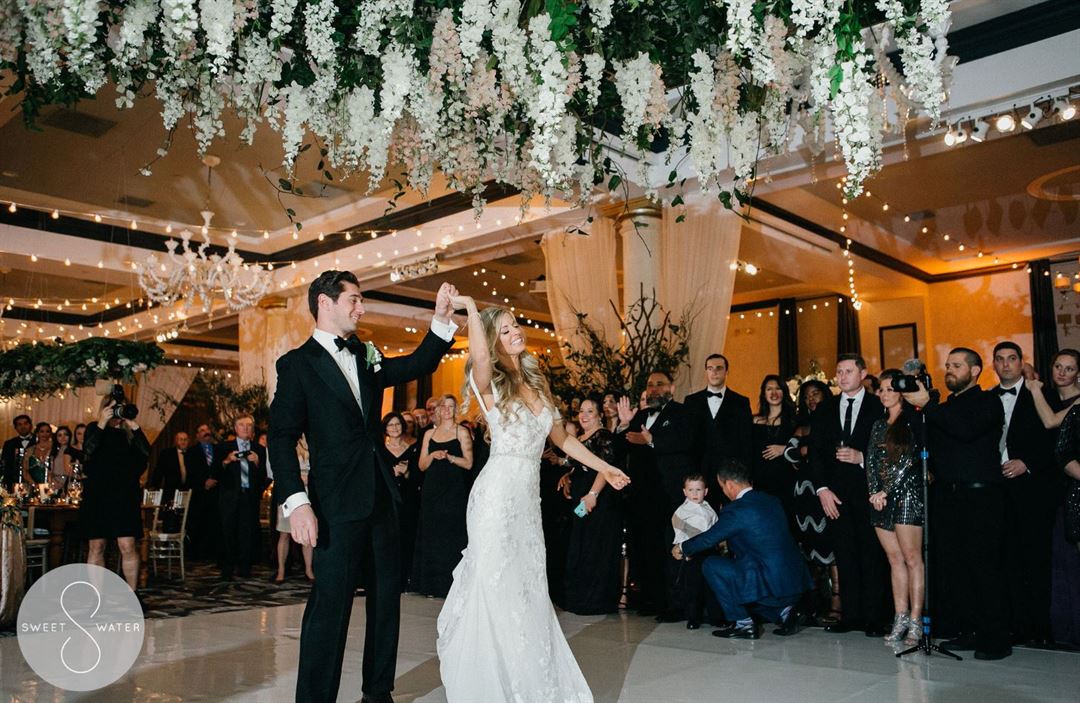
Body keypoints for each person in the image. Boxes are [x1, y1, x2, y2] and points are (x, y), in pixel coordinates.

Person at [269, 271, 458, 703]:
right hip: (334, 505)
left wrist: (441, 320)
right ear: (325, 303)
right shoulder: (297, 365)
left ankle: (378, 692)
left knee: (386, 600)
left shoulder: (364, 354)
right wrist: (297, 502)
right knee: (330, 607)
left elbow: (416, 365)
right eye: (353, 299)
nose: (361, 307)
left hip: (381, 498)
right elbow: (280, 438)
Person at [436, 296, 630, 702]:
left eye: (515, 325)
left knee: (527, 590)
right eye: (504, 329)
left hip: (526, 503)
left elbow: (563, 440)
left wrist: (605, 467)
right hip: (495, 498)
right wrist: (471, 309)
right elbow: (480, 356)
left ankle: (528, 682)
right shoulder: (487, 380)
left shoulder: (537, 382)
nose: (515, 332)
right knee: (495, 586)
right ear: (492, 339)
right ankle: (490, 686)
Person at [903, 347, 1011, 660]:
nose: (949, 370)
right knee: (956, 567)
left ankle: (996, 638)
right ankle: (969, 629)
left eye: (957, 365)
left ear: (975, 371)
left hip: (980, 496)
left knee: (984, 567)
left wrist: (929, 405)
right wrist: (915, 405)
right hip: (948, 496)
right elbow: (925, 439)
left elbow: (965, 430)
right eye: (948, 365)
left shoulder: (988, 401)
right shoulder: (944, 406)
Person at [674, 459, 812, 640]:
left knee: (711, 565)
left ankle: (743, 624)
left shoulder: (736, 510)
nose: (723, 491)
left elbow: (709, 538)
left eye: (722, 487)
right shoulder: (772, 500)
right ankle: (786, 613)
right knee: (745, 570)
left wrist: (682, 547)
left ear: (729, 484)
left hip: (767, 579)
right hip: (794, 579)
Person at [807, 354, 889, 636]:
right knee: (844, 554)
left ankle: (875, 617)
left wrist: (861, 457)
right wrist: (822, 490)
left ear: (863, 374)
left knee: (872, 554)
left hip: (870, 493)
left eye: (848, 371)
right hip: (835, 495)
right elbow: (815, 453)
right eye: (839, 371)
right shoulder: (825, 408)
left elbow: (889, 450)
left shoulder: (878, 406)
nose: (842, 377)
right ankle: (850, 615)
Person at [991, 342, 1056, 646]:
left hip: (1031, 489)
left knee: (1034, 558)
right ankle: (1010, 625)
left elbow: (1054, 440)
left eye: (1012, 359)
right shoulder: (986, 399)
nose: (1006, 364)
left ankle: (1037, 629)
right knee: (1003, 559)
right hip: (995, 490)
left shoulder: (1041, 396)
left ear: (1021, 362)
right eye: (1000, 359)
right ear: (993, 364)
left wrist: (1027, 464)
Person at [615, 371, 693, 618]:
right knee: (645, 547)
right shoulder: (640, 415)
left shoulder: (682, 413)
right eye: (650, 385)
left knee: (669, 547)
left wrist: (651, 441)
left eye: (660, 384)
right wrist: (624, 424)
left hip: (669, 494)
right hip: (642, 497)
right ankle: (651, 599)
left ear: (671, 387)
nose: (654, 389)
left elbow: (685, 444)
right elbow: (620, 450)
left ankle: (674, 604)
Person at [865, 370, 924, 646]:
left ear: (901, 392)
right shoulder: (878, 424)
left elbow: (909, 462)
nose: (885, 394)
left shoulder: (911, 420)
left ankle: (916, 620)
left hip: (907, 496)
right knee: (894, 559)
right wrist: (874, 493)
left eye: (890, 389)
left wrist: (886, 491)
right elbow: (871, 462)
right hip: (880, 500)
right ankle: (899, 617)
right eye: (881, 389)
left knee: (912, 559)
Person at [80, 395, 150, 590]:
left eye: (121, 407)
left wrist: (134, 425)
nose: (118, 412)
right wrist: (102, 422)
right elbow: (88, 451)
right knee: (96, 547)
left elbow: (146, 452)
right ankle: (97, 595)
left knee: (127, 545)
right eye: (114, 407)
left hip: (125, 495)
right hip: (98, 495)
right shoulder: (94, 428)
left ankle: (132, 593)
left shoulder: (129, 433)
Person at [561, 396, 623, 615]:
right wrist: (567, 477)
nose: (584, 415)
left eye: (590, 411)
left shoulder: (603, 436)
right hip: (580, 496)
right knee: (580, 543)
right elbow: (577, 465)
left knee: (595, 546)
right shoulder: (578, 438)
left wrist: (593, 494)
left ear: (599, 415)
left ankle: (596, 601)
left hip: (598, 498)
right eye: (581, 411)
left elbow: (605, 467)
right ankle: (578, 598)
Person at [787, 379, 842, 624]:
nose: (811, 399)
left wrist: (807, 451)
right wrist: (809, 451)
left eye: (815, 393)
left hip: (828, 490)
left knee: (832, 547)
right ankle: (814, 603)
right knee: (809, 547)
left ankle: (838, 602)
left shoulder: (835, 420)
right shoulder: (801, 426)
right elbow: (789, 454)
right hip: (803, 494)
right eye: (806, 395)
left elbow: (833, 452)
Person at [412, 394, 474, 598]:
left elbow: (469, 463)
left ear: (456, 409)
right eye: (443, 406)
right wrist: (432, 455)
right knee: (432, 533)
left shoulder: (461, 431)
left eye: (451, 406)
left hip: (454, 489)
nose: (447, 410)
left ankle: (452, 585)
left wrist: (449, 457)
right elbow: (421, 466)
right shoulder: (429, 434)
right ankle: (431, 585)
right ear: (438, 409)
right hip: (432, 490)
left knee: (452, 533)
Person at [212, 415, 268, 580]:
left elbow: (264, 477)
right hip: (229, 497)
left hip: (249, 497)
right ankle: (227, 568)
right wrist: (227, 460)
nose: (246, 428)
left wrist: (257, 462)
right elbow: (214, 473)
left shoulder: (259, 449)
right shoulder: (223, 447)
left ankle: (245, 568)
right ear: (236, 428)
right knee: (228, 532)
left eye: (249, 425)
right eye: (242, 425)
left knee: (247, 532)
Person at [685, 354, 753, 482]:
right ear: (706, 372)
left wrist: (744, 474)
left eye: (719, 368)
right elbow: (687, 439)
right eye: (710, 368)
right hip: (699, 472)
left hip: (730, 474)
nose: (714, 372)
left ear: (727, 372)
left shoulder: (741, 402)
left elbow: (746, 441)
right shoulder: (691, 402)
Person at [670, 474, 719, 629]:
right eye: (691, 490)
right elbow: (679, 532)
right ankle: (693, 618)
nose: (695, 493)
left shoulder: (709, 508)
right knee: (693, 587)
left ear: (706, 491)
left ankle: (716, 617)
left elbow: (716, 527)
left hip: (709, 552)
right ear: (685, 492)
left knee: (712, 585)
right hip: (693, 553)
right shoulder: (682, 511)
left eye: (698, 489)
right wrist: (683, 550)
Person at [382, 412, 420, 591]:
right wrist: (391, 473)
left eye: (397, 424)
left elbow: (419, 476)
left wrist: (406, 473)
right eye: (390, 425)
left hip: (407, 500)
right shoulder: (380, 449)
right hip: (386, 500)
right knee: (387, 540)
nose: (394, 428)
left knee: (406, 538)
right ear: (385, 428)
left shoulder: (413, 449)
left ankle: (405, 579)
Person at [751, 375, 797, 517]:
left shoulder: (794, 421)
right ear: (764, 393)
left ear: (784, 392)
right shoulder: (754, 421)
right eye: (769, 389)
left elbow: (804, 448)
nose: (774, 393)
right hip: (760, 482)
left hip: (786, 481)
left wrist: (784, 449)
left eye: (778, 388)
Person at [274, 438, 314, 583]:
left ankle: (309, 570)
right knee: (284, 534)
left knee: (308, 534)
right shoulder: (288, 444)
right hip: (290, 494)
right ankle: (281, 570)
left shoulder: (314, 444)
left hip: (309, 494)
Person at [151, 431, 196, 497]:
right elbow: (158, 471)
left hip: (189, 491)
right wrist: (154, 487)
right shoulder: (167, 454)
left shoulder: (193, 454)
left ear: (188, 441)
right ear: (176, 441)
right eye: (181, 439)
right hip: (171, 491)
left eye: (185, 439)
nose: (183, 442)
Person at [2, 414, 35, 489]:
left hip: (34, 482)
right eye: (19, 424)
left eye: (25, 423)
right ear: (15, 428)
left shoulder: (38, 441)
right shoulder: (9, 444)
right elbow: (5, 464)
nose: (23, 426)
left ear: (31, 425)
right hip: (13, 483)